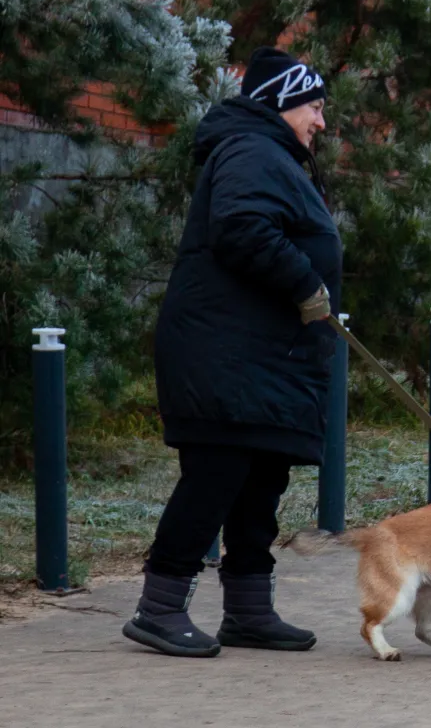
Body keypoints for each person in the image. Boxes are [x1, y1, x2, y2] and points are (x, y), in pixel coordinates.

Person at [122, 47, 342, 658]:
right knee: (215, 477)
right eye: (314, 107)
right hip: (225, 354)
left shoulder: (268, 154)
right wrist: (306, 285)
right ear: (280, 103)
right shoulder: (253, 151)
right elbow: (242, 227)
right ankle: (159, 608)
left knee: (260, 479)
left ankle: (248, 609)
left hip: (262, 356)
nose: (320, 122)